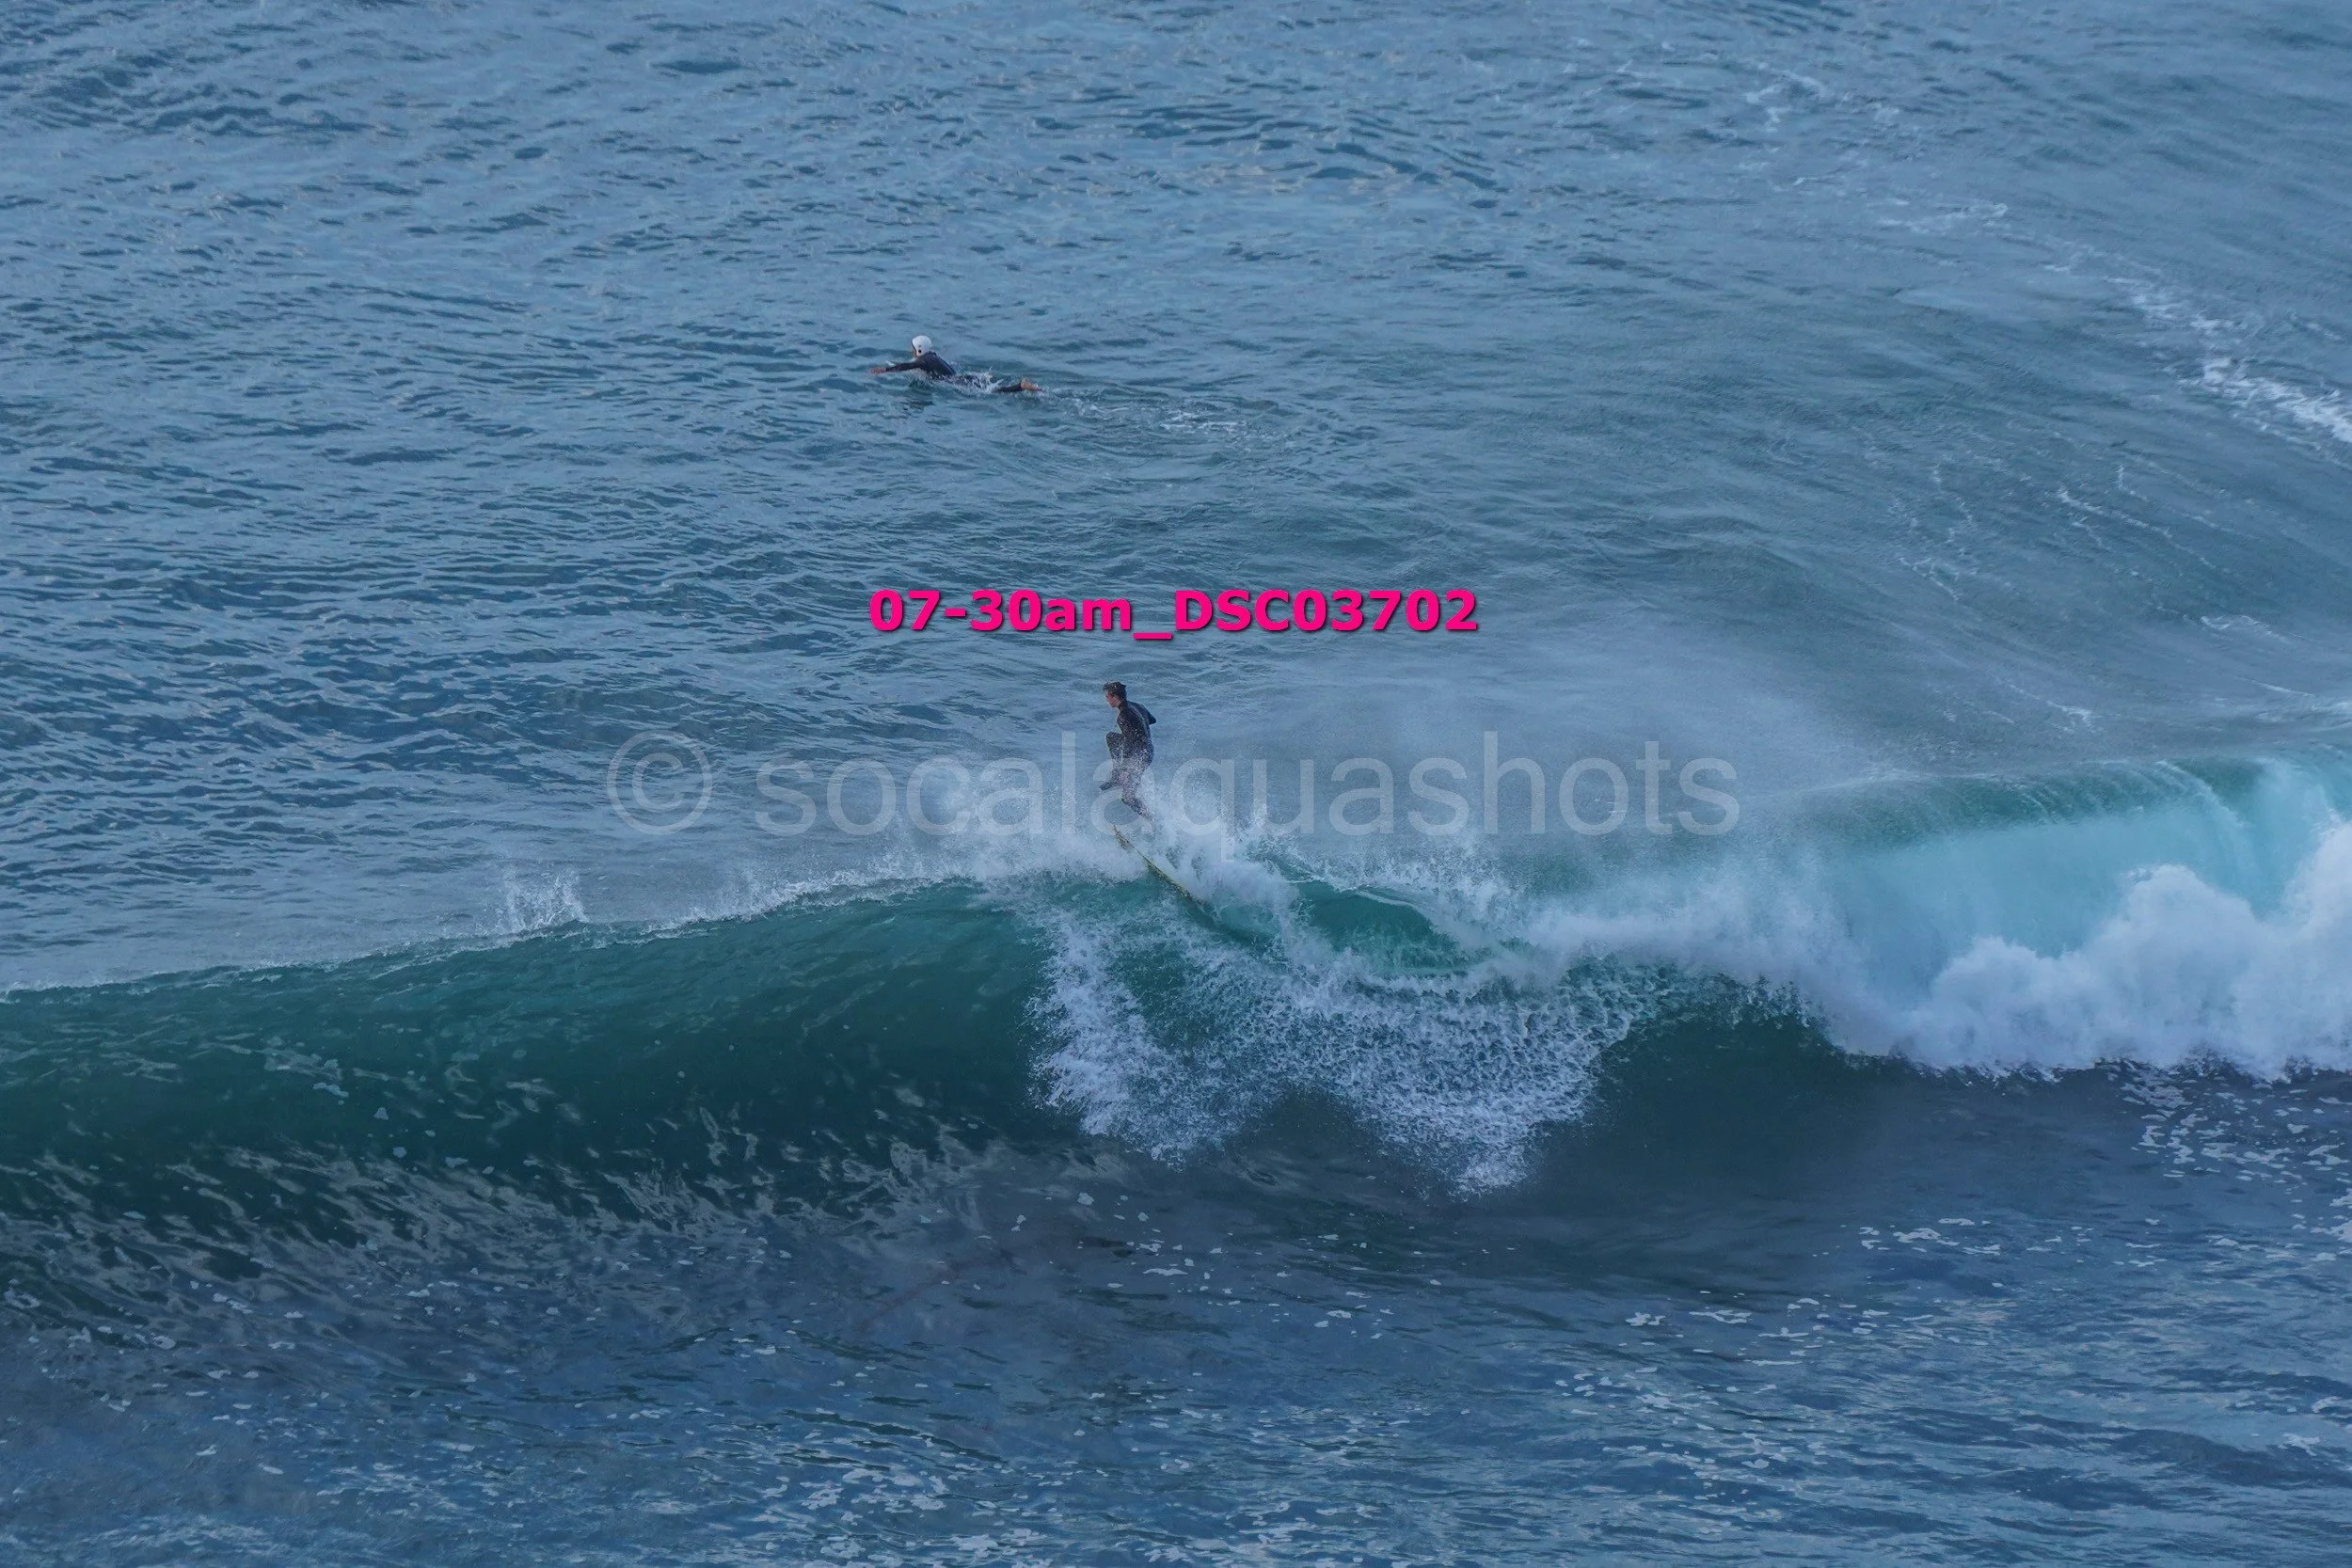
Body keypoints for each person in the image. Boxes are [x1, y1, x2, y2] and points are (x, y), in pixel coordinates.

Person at [869, 335, 1038, 393]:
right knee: (990, 388)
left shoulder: (923, 361)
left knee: (993, 393)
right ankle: (1021, 385)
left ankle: (1020, 386)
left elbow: (906, 366)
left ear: (920, 350)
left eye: (913, 348)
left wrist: (885, 370)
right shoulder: (931, 356)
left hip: (957, 383)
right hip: (964, 377)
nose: (910, 350)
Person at [1100, 681, 1154, 818]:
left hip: (1140, 757)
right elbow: (1152, 720)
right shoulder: (1138, 706)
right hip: (1147, 750)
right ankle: (1116, 775)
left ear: (1114, 697)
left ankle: (1151, 818)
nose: (1106, 699)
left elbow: (1130, 742)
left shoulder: (1123, 716)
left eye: (1107, 696)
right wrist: (1139, 725)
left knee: (1127, 798)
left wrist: (1125, 769)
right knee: (1112, 737)